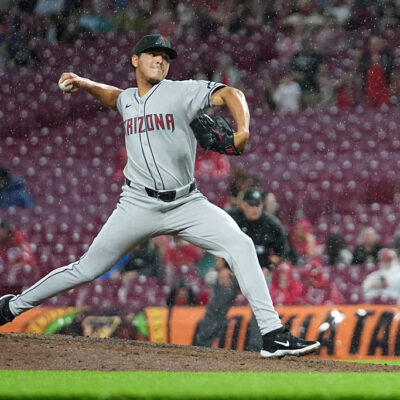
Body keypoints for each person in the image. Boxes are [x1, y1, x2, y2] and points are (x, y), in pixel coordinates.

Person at [0, 34, 319, 358]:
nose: (160, 60)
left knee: (241, 245)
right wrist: (84, 83)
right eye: (152, 54)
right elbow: (115, 97)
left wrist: (243, 129)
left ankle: (272, 335)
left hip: (186, 202)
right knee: (86, 269)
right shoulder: (127, 99)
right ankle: (11, 307)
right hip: (137, 204)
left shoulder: (181, 92)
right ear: (135, 60)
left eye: (165, 57)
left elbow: (230, 93)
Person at [194, 187, 292, 352]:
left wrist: (268, 267)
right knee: (217, 307)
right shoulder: (231, 218)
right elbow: (214, 242)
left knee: (261, 311)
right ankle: (201, 347)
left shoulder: (271, 223)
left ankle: (257, 350)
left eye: (258, 205)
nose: (255, 208)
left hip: (258, 271)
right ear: (242, 204)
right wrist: (222, 268)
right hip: (232, 270)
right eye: (251, 205)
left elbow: (280, 251)